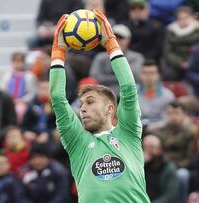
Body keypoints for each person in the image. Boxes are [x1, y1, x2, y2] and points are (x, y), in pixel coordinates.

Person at [49, 10, 150, 202]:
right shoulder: (76, 142)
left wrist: (111, 43)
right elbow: (57, 99)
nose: (83, 109)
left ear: (110, 108)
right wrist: (58, 51)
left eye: (90, 102)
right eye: (81, 104)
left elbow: (128, 87)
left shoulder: (128, 133)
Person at [147, 101, 197, 203]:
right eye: (170, 113)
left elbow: (191, 158)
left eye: (177, 113)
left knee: (181, 175)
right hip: (160, 165)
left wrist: (173, 165)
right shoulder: (161, 129)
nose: (173, 116)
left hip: (181, 166)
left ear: (184, 114)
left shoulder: (191, 131)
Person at [90, 24, 144, 95]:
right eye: (114, 38)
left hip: (129, 94)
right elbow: (95, 77)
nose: (117, 41)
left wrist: (107, 77)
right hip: (105, 94)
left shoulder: (137, 57)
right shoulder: (100, 57)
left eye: (120, 38)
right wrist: (121, 76)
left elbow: (135, 76)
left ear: (128, 40)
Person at [161, 6, 199, 81]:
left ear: (192, 17)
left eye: (186, 17)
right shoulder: (171, 31)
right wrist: (180, 63)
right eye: (180, 18)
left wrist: (190, 62)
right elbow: (167, 51)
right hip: (176, 63)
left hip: (194, 62)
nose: (183, 20)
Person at [1, 52, 38, 122]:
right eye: (15, 61)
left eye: (20, 61)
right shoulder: (7, 74)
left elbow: (32, 93)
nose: (17, 64)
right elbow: (3, 89)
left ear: (24, 62)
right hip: (9, 101)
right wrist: (10, 100)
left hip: (23, 102)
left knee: (20, 110)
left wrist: (21, 100)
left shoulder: (30, 76)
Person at [143, 135, 179, 203]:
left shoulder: (168, 168)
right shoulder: (141, 167)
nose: (148, 150)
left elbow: (171, 195)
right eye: (145, 147)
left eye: (151, 147)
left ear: (160, 149)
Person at [138, 60, 175, 125]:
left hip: (160, 131)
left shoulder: (168, 95)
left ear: (159, 75)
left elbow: (168, 119)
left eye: (152, 73)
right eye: (145, 73)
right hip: (135, 130)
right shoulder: (132, 94)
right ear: (140, 75)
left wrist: (151, 127)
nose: (148, 76)